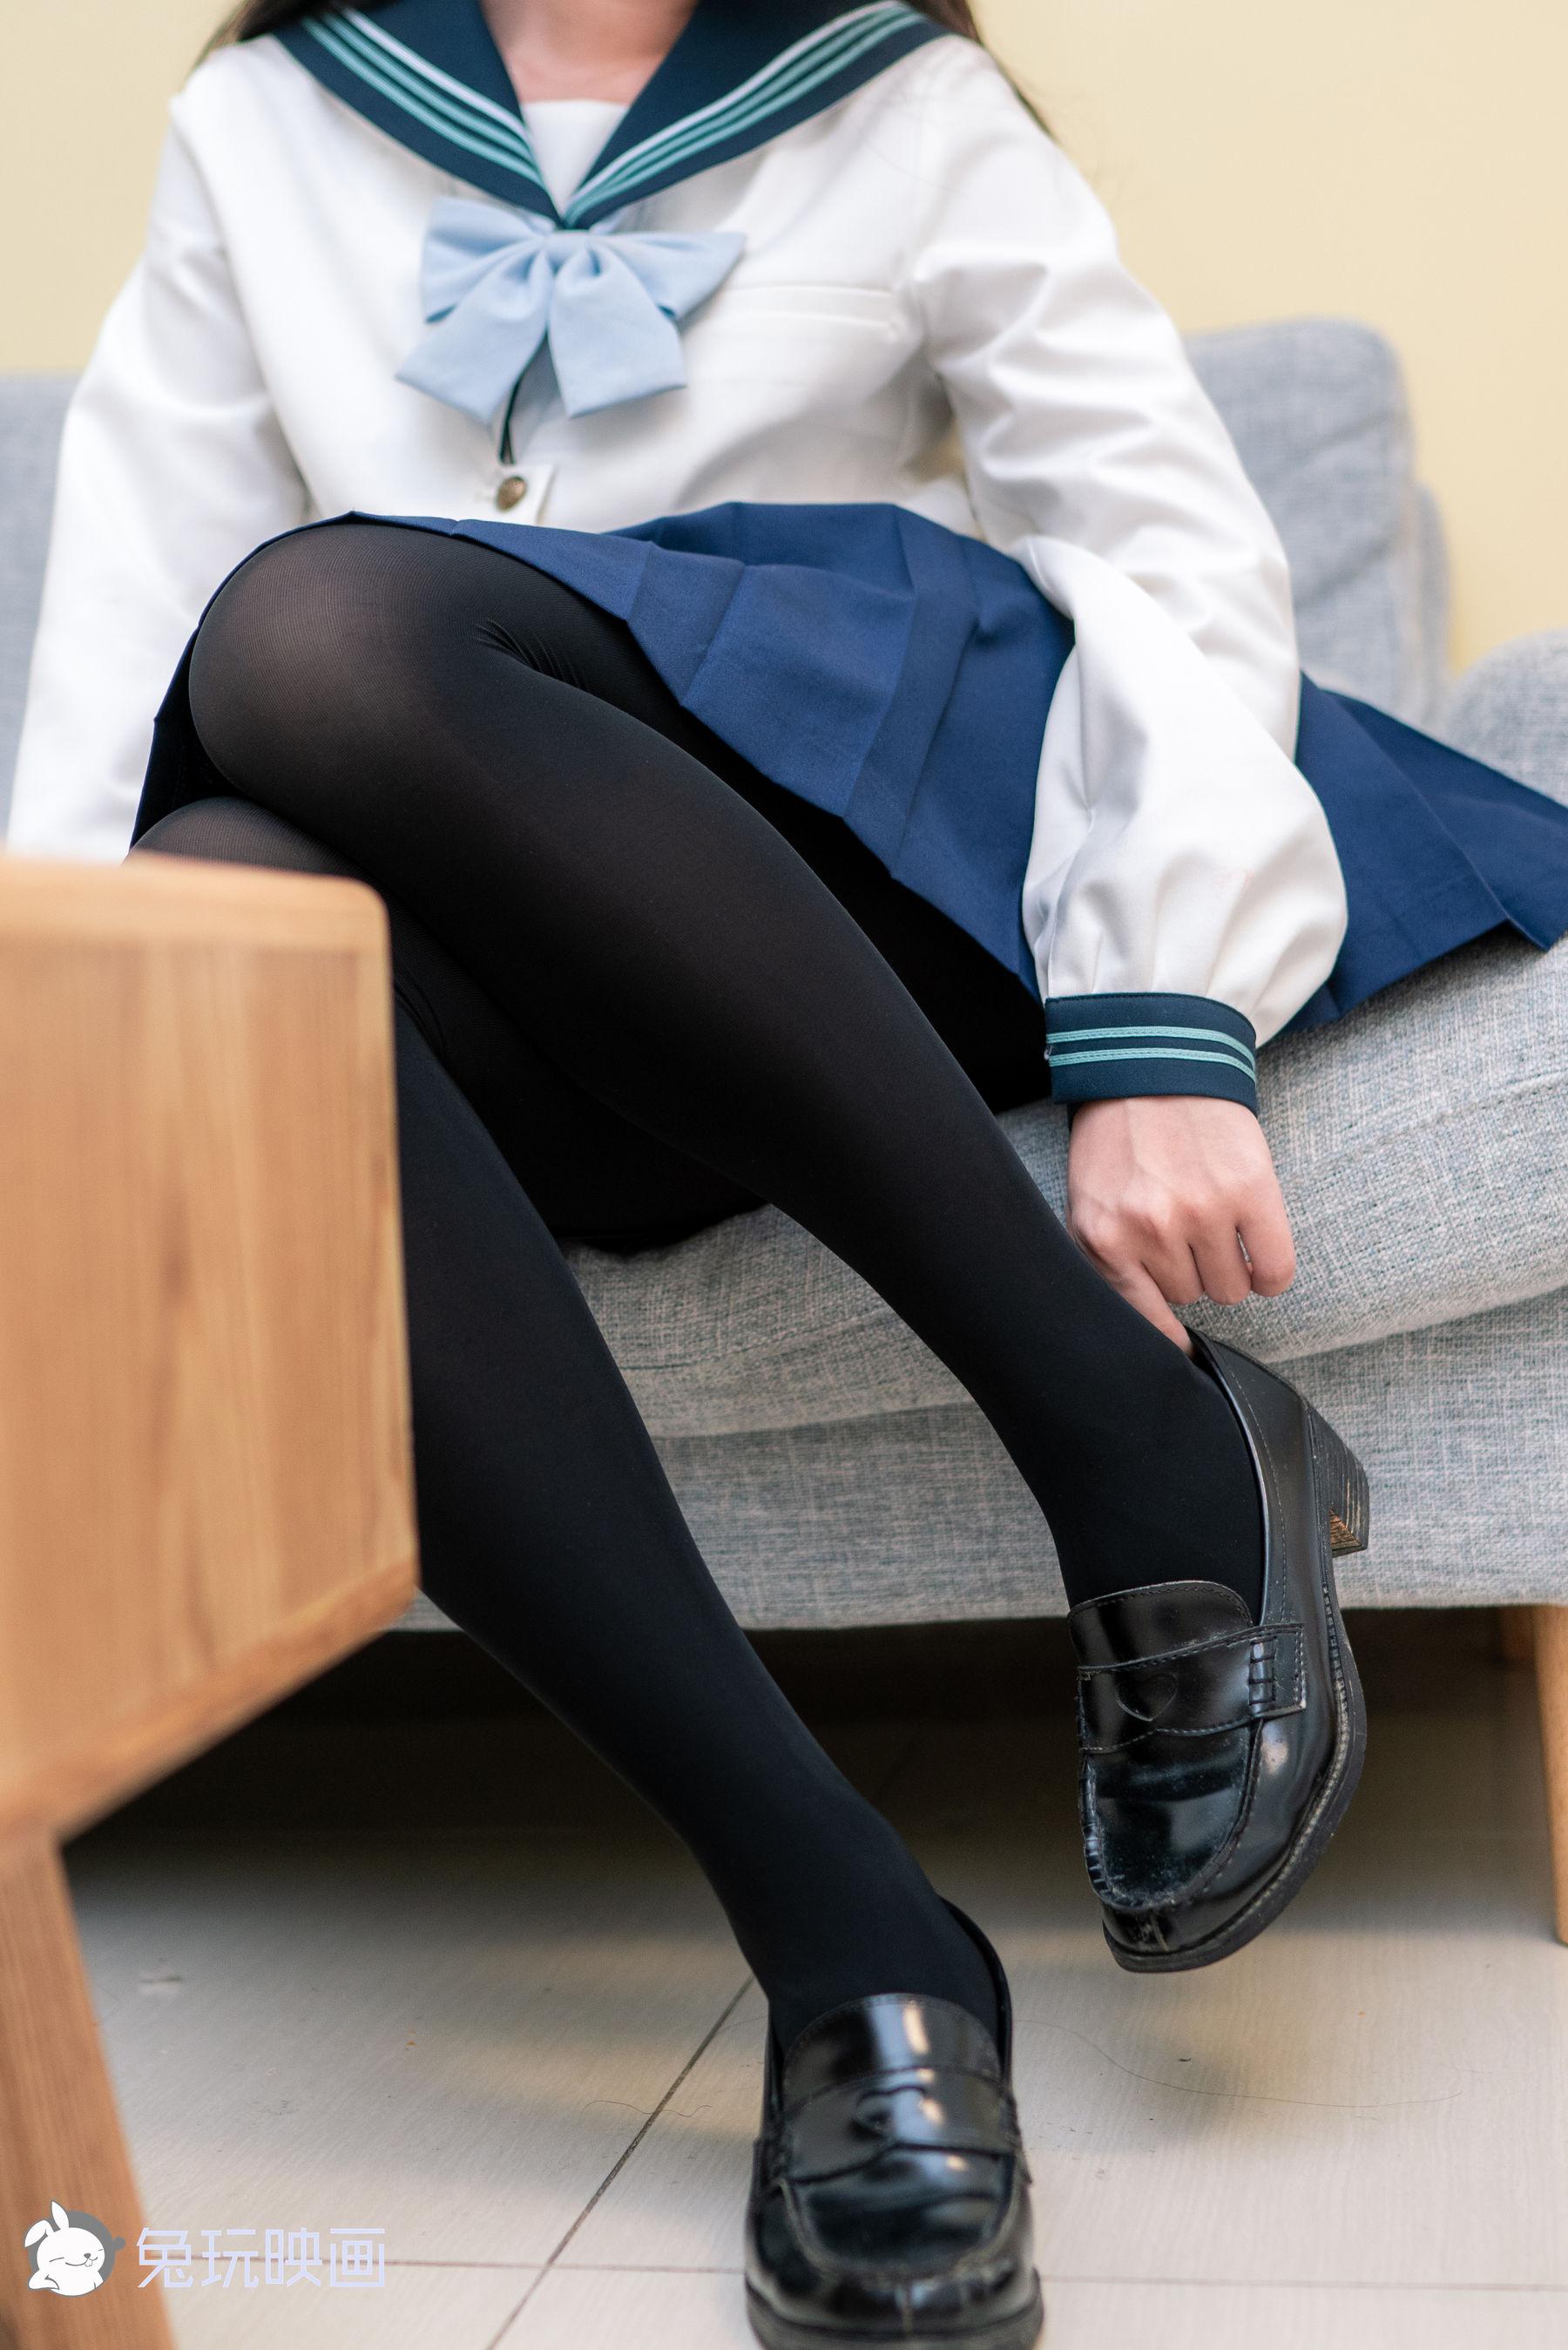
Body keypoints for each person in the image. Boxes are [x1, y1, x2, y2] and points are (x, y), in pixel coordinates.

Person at [12, 4, 1568, 2342]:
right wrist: (85, 1083)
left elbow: (1161, 540)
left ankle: (1119, 1435)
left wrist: (1163, 1008)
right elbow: (124, 621)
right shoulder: (267, 123)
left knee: (326, 626)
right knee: (231, 886)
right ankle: (851, 1935)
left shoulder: (898, 96)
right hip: (531, 989)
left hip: (852, 880)